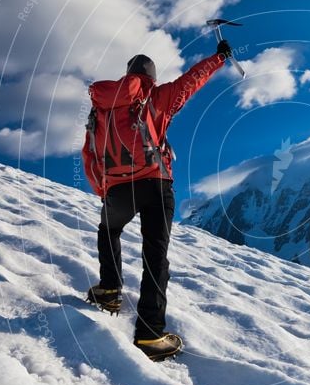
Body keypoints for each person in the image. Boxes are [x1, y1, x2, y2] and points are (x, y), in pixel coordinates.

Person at [82, 39, 232, 361]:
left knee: (108, 230)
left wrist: (106, 191)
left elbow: (90, 155)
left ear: (127, 74)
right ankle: (150, 336)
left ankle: (109, 292)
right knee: (155, 255)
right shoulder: (158, 96)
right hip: (155, 182)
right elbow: (192, 80)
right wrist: (219, 57)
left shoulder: (101, 108)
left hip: (119, 187)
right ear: (150, 75)